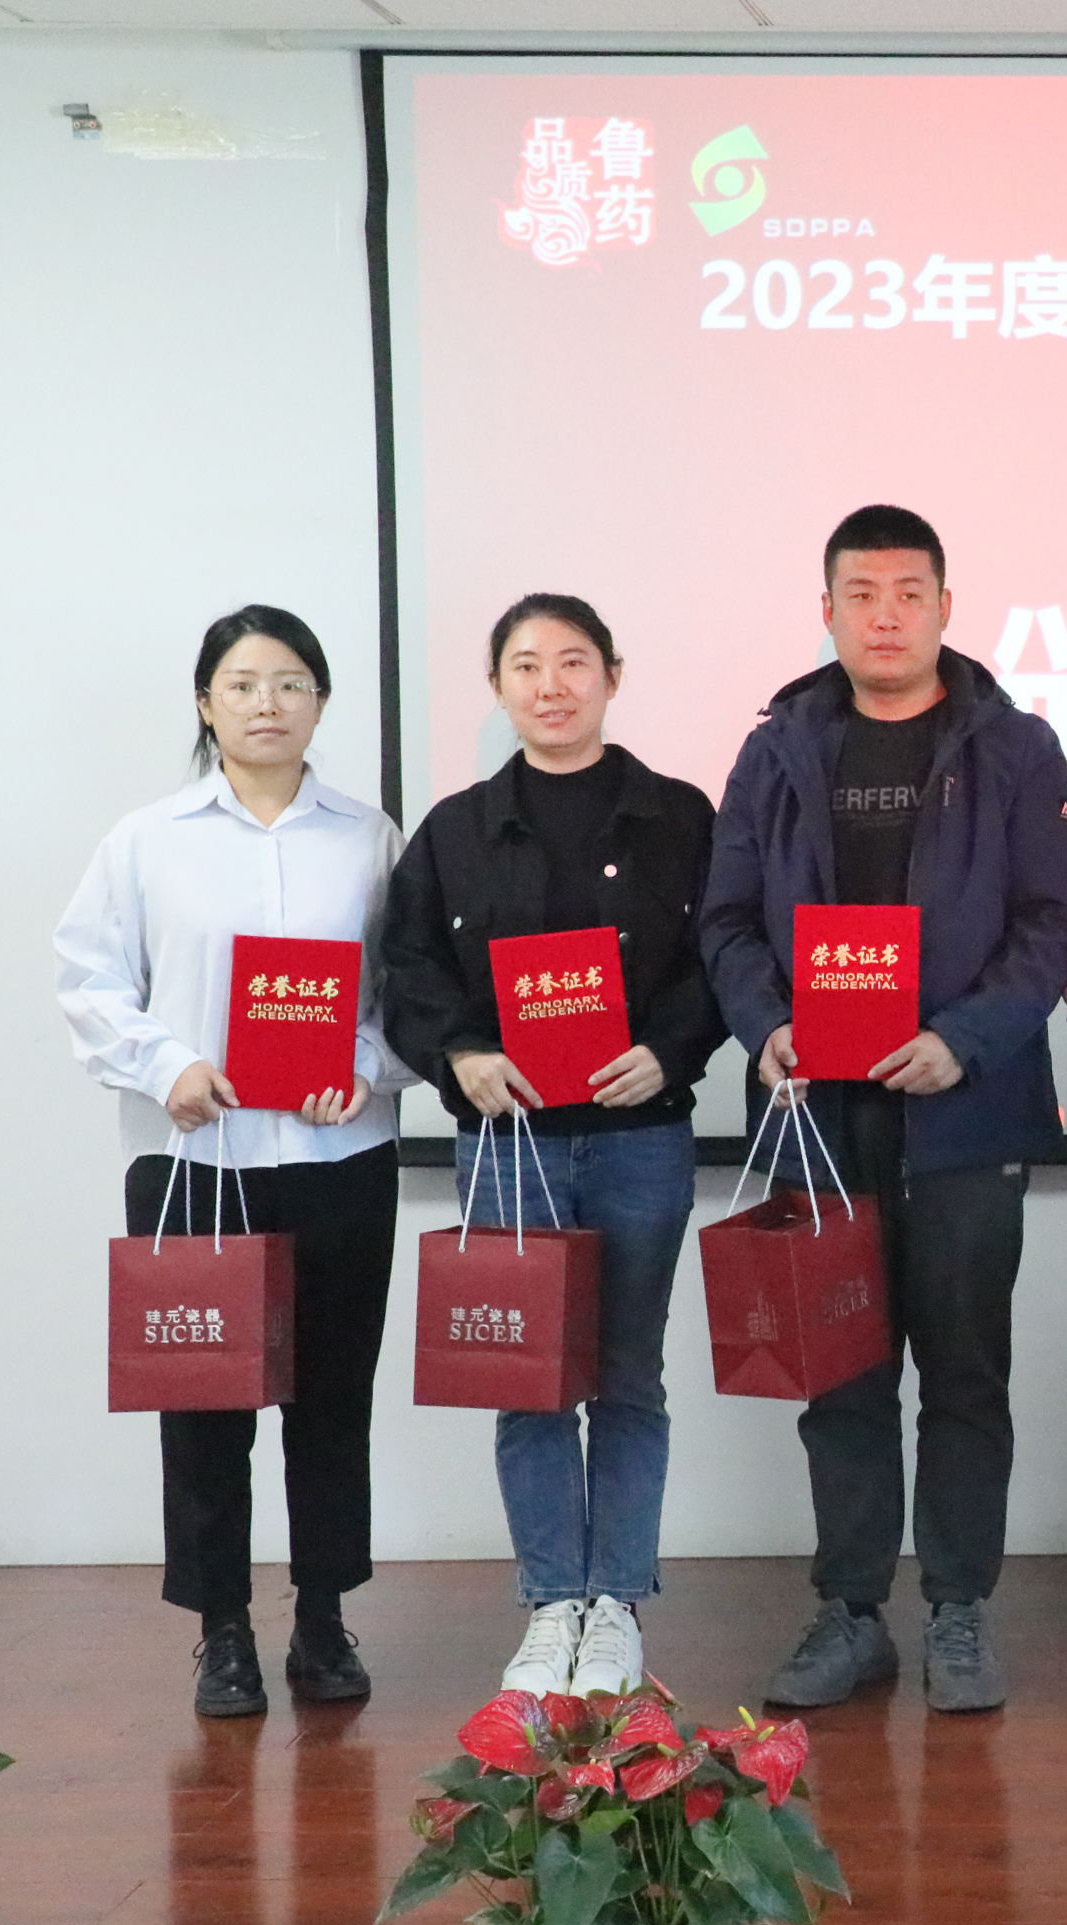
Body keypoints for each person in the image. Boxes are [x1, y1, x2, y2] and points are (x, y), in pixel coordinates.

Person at [701, 504, 1067, 1714]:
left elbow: (1051, 926)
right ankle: (851, 1613)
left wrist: (961, 1040)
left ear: (945, 608)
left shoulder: (1014, 746)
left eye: (909, 594)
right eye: (861, 595)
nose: (886, 616)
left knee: (966, 1376)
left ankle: (959, 1610)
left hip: (966, 1114)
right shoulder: (777, 750)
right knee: (840, 1376)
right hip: (822, 1118)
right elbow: (726, 919)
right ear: (826, 611)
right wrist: (767, 1025)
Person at [55, 605, 409, 1718]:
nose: (268, 704)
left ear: (321, 703)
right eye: (245, 684)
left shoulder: (369, 838)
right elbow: (88, 979)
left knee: (330, 1397)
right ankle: (221, 1631)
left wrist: (364, 1065)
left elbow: (411, 993)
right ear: (206, 703)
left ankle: (322, 1618)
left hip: (337, 1152)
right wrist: (165, 1066)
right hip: (193, 1157)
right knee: (204, 1404)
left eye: (292, 683)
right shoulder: (147, 839)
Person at [381, 594, 722, 1700]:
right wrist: (462, 1056)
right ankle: (549, 1603)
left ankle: (615, 1603)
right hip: (509, 1143)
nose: (551, 685)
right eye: (526, 665)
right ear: (497, 688)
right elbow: (408, 971)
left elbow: (721, 956)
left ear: (613, 674)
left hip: (638, 1140)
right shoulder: (455, 830)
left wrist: (668, 1051)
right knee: (525, 1379)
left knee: (626, 1375)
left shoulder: (679, 816)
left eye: (574, 661)